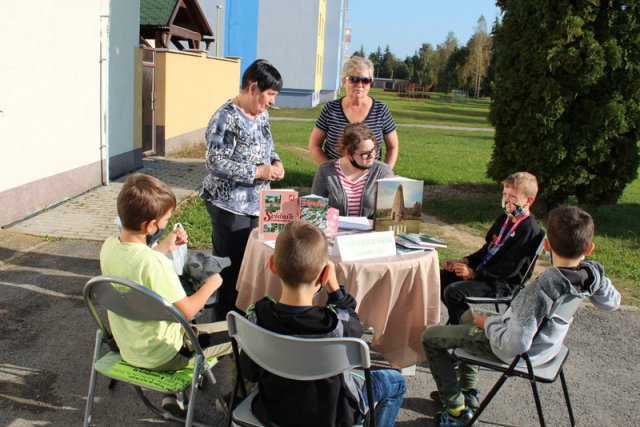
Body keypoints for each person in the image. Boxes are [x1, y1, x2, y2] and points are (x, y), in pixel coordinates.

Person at [422, 205, 621, 426]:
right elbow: (612, 302)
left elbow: (515, 344)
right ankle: (467, 390)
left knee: (430, 337)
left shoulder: (540, 291)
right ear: (590, 248)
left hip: (519, 352)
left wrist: (488, 324)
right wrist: (597, 274)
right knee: (468, 317)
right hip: (547, 346)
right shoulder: (589, 275)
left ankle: (456, 411)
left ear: (547, 245)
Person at [240, 221, 406, 427]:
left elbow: (250, 372)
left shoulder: (257, 317)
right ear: (325, 274)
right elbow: (353, 321)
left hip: (274, 412)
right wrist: (334, 289)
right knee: (397, 382)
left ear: (272, 265)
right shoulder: (336, 325)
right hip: (335, 415)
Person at [100, 173, 232, 414]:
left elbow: (137, 265)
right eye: (165, 220)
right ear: (150, 225)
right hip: (166, 355)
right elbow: (187, 310)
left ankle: (172, 396)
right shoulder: (154, 264)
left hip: (129, 349)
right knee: (242, 333)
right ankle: (235, 399)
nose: (165, 224)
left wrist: (163, 248)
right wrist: (212, 284)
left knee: (172, 319)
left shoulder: (109, 247)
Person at [201, 59, 285, 321]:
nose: (272, 101)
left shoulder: (261, 115)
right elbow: (215, 162)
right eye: (270, 94)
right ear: (253, 88)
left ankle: (245, 323)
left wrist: (276, 162)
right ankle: (222, 328)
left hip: (258, 206)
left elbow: (269, 147)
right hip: (230, 207)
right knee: (230, 272)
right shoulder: (225, 117)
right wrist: (258, 172)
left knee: (252, 268)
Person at [441, 172, 542, 325]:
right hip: (485, 272)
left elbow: (510, 268)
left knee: (454, 292)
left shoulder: (528, 229)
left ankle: (464, 330)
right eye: (505, 194)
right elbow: (487, 249)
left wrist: (474, 274)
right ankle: (469, 324)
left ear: (529, 200)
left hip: (502, 283)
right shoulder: (505, 218)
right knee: (441, 278)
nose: (507, 199)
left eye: (513, 196)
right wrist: (466, 261)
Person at [308, 56, 400, 168]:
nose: (360, 84)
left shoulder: (381, 110)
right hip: (336, 175)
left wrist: (385, 174)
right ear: (344, 82)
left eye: (365, 80)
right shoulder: (330, 109)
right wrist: (329, 171)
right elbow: (314, 145)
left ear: (370, 84)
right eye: (354, 79)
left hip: (370, 176)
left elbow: (393, 147)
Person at [312, 122, 394, 218]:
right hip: (334, 227)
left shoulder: (382, 172)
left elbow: (390, 214)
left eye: (373, 150)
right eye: (365, 153)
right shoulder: (325, 172)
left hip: (370, 228)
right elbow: (315, 211)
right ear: (348, 153)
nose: (372, 156)